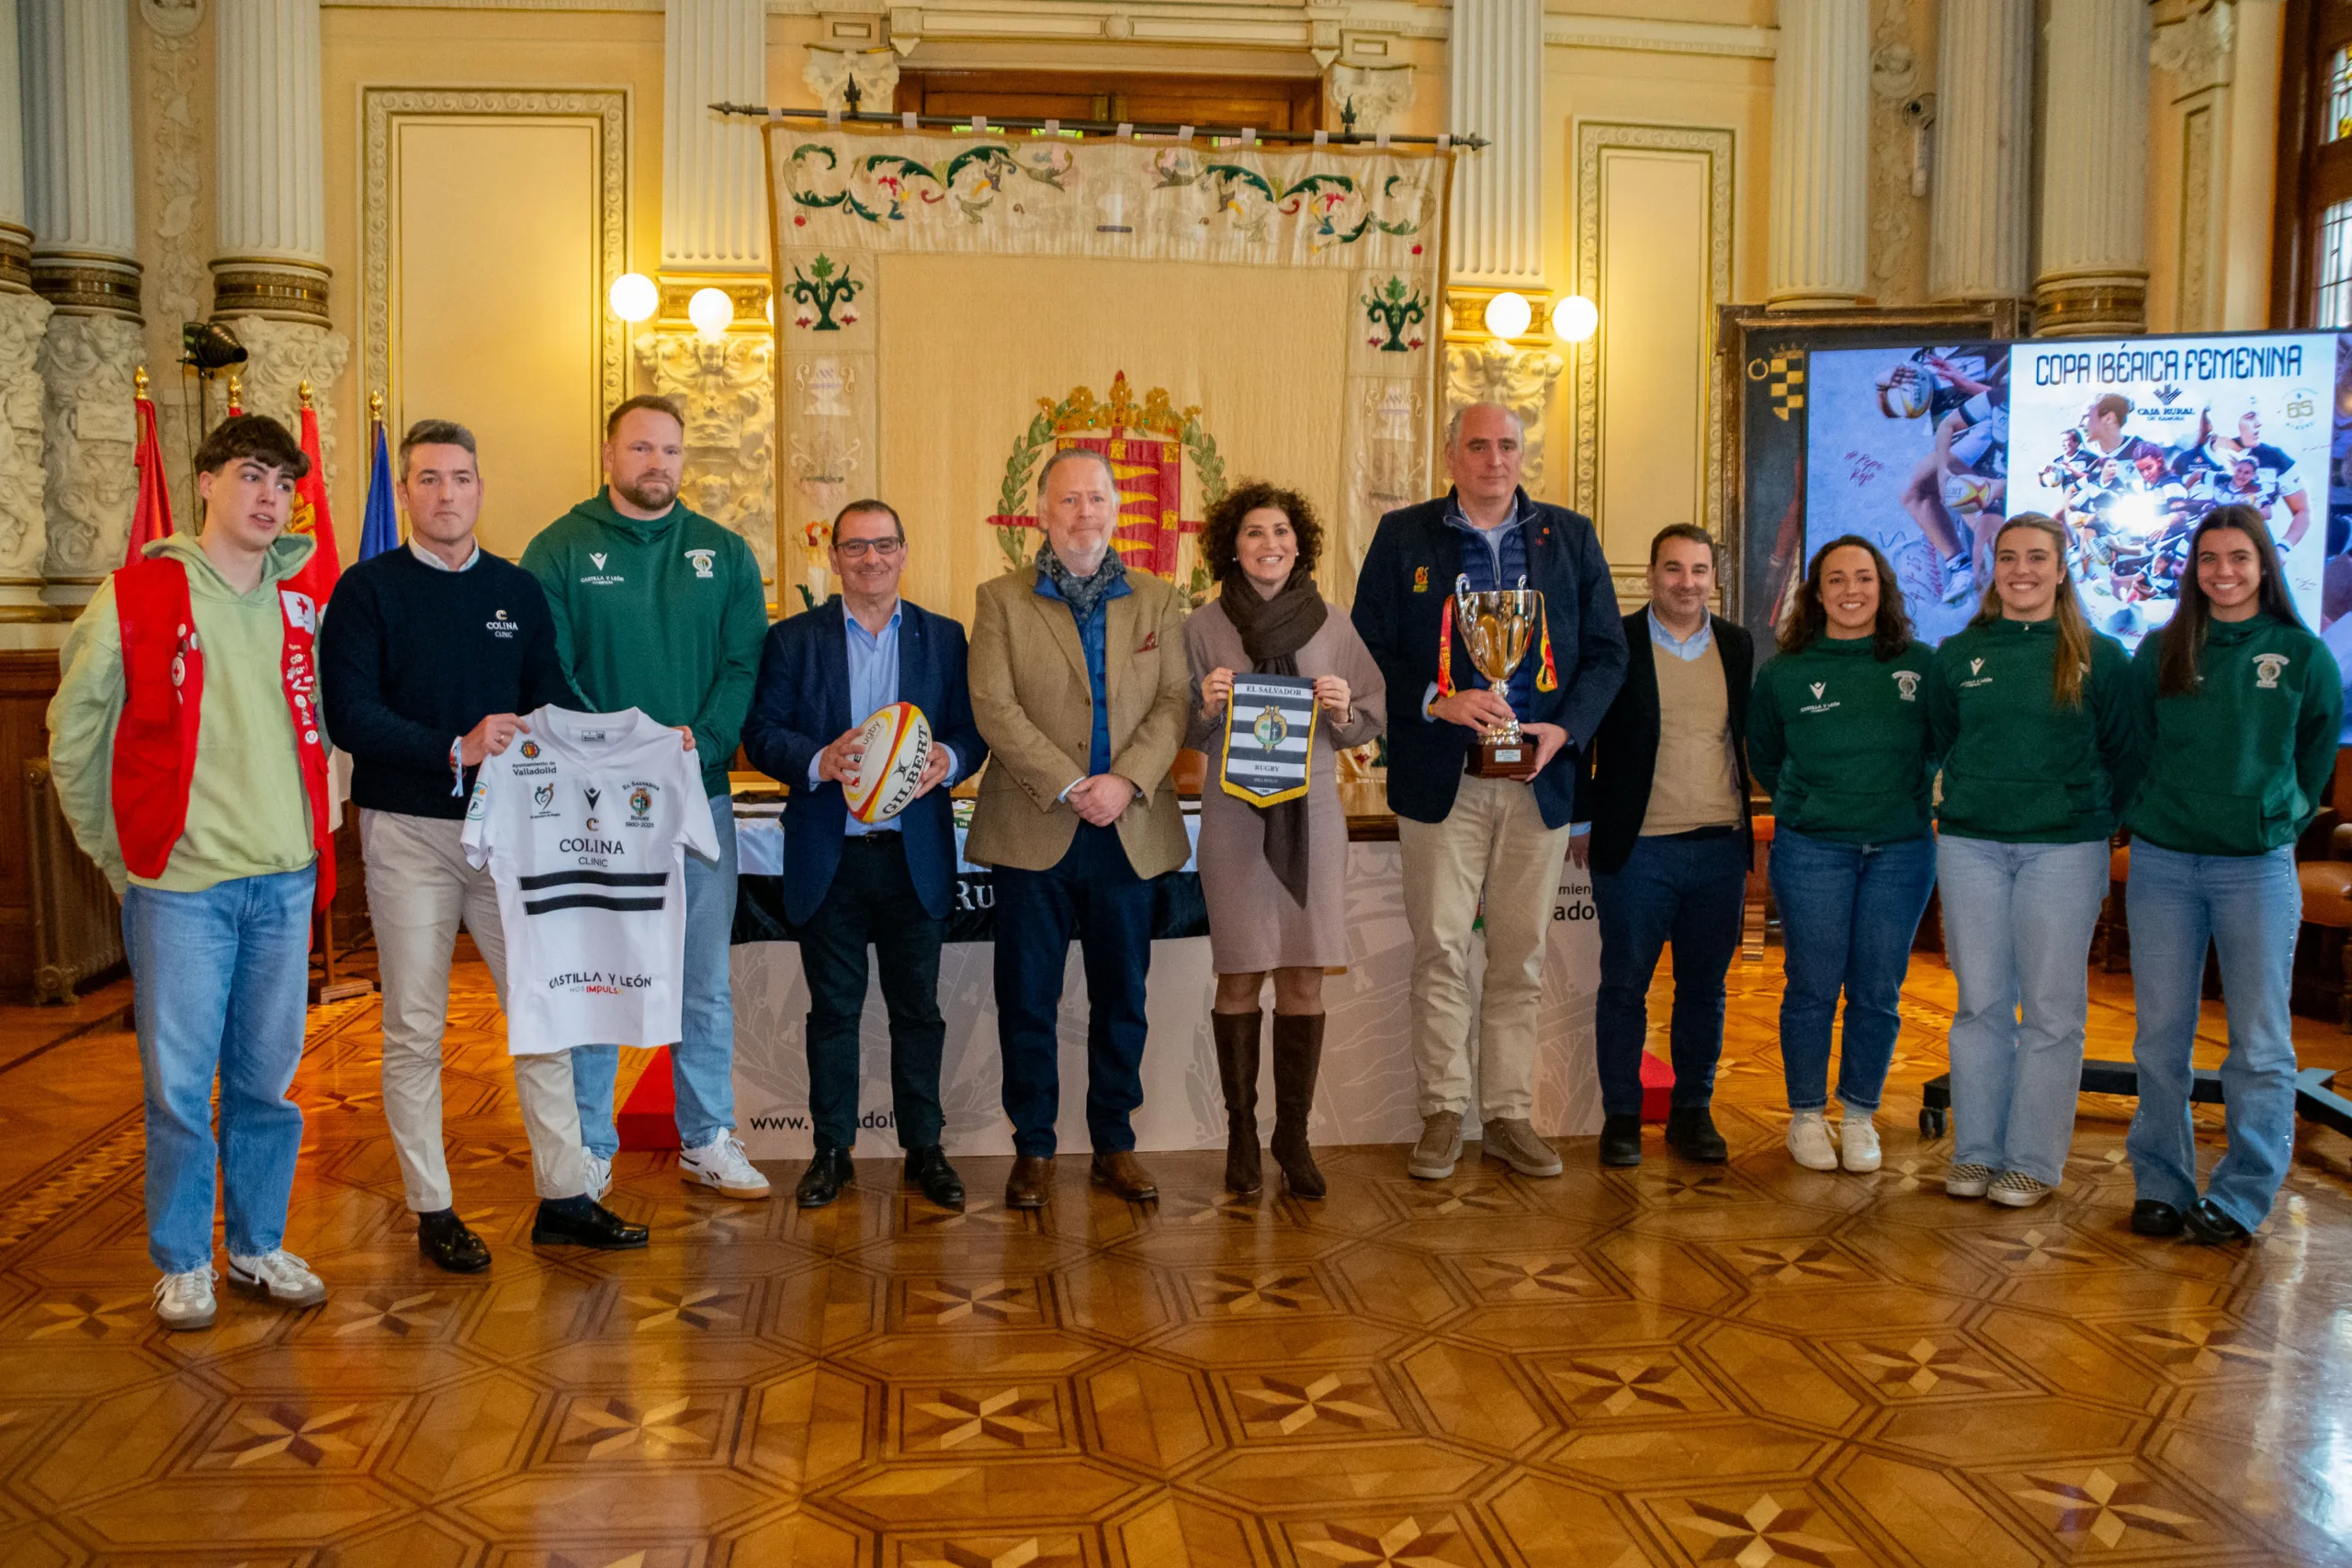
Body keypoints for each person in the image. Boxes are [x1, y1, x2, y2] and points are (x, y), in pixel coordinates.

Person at [319, 419, 648, 1268]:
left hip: (511, 839)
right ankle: (433, 1207)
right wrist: (450, 747)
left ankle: (566, 1196)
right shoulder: (366, 590)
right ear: (404, 495)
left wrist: (638, 745)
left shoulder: (515, 590)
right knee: (415, 1028)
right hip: (408, 835)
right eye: (427, 480)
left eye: (460, 478)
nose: (446, 495)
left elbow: (553, 699)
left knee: (544, 1014)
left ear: (479, 488)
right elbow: (348, 717)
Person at [47, 414, 336, 1328]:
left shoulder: (302, 604)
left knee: (266, 1082)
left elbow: (326, 736)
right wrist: (122, 858)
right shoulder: (136, 597)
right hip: (182, 890)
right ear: (206, 482)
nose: (268, 497)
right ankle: (181, 1260)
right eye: (251, 475)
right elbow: (75, 743)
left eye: (283, 483)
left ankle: (254, 1244)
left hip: (284, 882)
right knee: (178, 1088)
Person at [1351, 402, 1627, 1181]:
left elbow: (1607, 654)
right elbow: (1367, 647)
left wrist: (1563, 730)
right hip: (1445, 779)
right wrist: (1434, 701)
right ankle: (1443, 1111)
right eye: (1479, 445)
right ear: (1451, 455)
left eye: (1508, 445)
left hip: (1539, 779)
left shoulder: (1569, 537)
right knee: (1440, 948)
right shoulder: (1404, 535)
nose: (1495, 459)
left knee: (1521, 955)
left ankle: (1507, 1113)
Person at [521, 395, 771, 1201]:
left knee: (702, 977)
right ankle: (592, 1143)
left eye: (668, 450)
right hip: (594, 809)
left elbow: (742, 667)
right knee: (597, 975)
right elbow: (549, 671)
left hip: (698, 799)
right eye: (640, 449)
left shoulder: (724, 554)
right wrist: (616, 756)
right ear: (609, 456)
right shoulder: (558, 549)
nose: (656, 463)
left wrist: (706, 737)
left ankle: (707, 1136)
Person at [739, 499, 986, 1212]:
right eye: (855, 547)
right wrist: (818, 759)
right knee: (833, 1012)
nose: (871, 559)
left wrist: (951, 754)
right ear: (835, 557)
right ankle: (831, 1151)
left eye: (884, 546)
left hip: (916, 858)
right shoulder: (793, 640)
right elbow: (761, 733)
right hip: (831, 856)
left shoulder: (945, 638)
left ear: (904, 553)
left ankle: (925, 1150)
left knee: (919, 1012)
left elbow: (974, 731)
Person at [967, 447, 1193, 1208]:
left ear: (1117, 510)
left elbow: (1175, 703)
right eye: (1067, 501)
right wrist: (1069, 784)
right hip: (1036, 824)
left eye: (1096, 500)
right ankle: (1033, 1146)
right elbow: (994, 707)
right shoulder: (999, 598)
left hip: (1127, 826)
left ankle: (1114, 1144)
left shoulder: (1161, 600)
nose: (1082, 515)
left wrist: (1124, 781)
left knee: (1121, 996)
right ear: (1041, 512)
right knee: (1026, 995)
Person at [2122, 504, 2340, 1244]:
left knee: (2259, 1041)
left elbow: (2314, 755)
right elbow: (2135, 743)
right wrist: (2153, 809)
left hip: (2256, 868)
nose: (2224, 571)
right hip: (2164, 864)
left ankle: (2243, 1194)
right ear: (2193, 569)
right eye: (2209, 558)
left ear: (2263, 566)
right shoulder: (2163, 648)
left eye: (2239, 558)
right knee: (2159, 1037)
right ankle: (2161, 1180)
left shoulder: (2302, 654)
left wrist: (2279, 811)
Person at [1928, 513, 2143, 1208]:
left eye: (2036, 558)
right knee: (1980, 1004)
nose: (2021, 570)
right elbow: (1939, 737)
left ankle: (2032, 1161)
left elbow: (2127, 752)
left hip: (2065, 849)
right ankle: (1977, 1152)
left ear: (2061, 568)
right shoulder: (1959, 653)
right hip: (1970, 847)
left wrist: (2094, 822)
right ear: (1993, 567)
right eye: (2008, 557)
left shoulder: (2101, 655)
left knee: (2052, 1009)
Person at [1184, 482, 1386, 1198]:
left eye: (1281, 532)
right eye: (1252, 533)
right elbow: (1176, 726)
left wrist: (1344, 710)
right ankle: (1241, 1135)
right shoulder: (1202, 625)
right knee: (1239, 974)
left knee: (1302, 973)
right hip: (1234, 819)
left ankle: (1292, 1138)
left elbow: (1371, 712)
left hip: (1315, 818)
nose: (1269, 544)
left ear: (1300, 543)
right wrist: (1201, 707)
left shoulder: (1332, 622)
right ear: (1230, 548)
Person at [1747, 536, 1939, 1174]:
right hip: (1812, 851)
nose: (1851, 590)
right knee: (1811, 987)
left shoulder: (1922, 664)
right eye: (1836, 579)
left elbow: (1938, 746)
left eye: (1864, 577)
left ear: (1882, 587)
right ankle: (1806, 1115)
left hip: (1901, 852)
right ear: (1816, 591)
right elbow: (1768, 758)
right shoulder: (1785, 671)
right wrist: (1814, 803)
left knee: (1879, 990)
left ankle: (1859, 1114)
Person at [1581, 525, 1755, 1168]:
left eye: (1699, 570)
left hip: (1719, 849)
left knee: (1704, 990)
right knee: (1624, 986)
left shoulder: (1737, 645)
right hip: (1638, 850)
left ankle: (1692, 1112)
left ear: (1714, 576)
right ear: (1650, 574)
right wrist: (1579, 820)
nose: (1687, 582)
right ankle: (1622, 1115)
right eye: (1674, 569)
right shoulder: (1616, 643)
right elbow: (1582, 732)